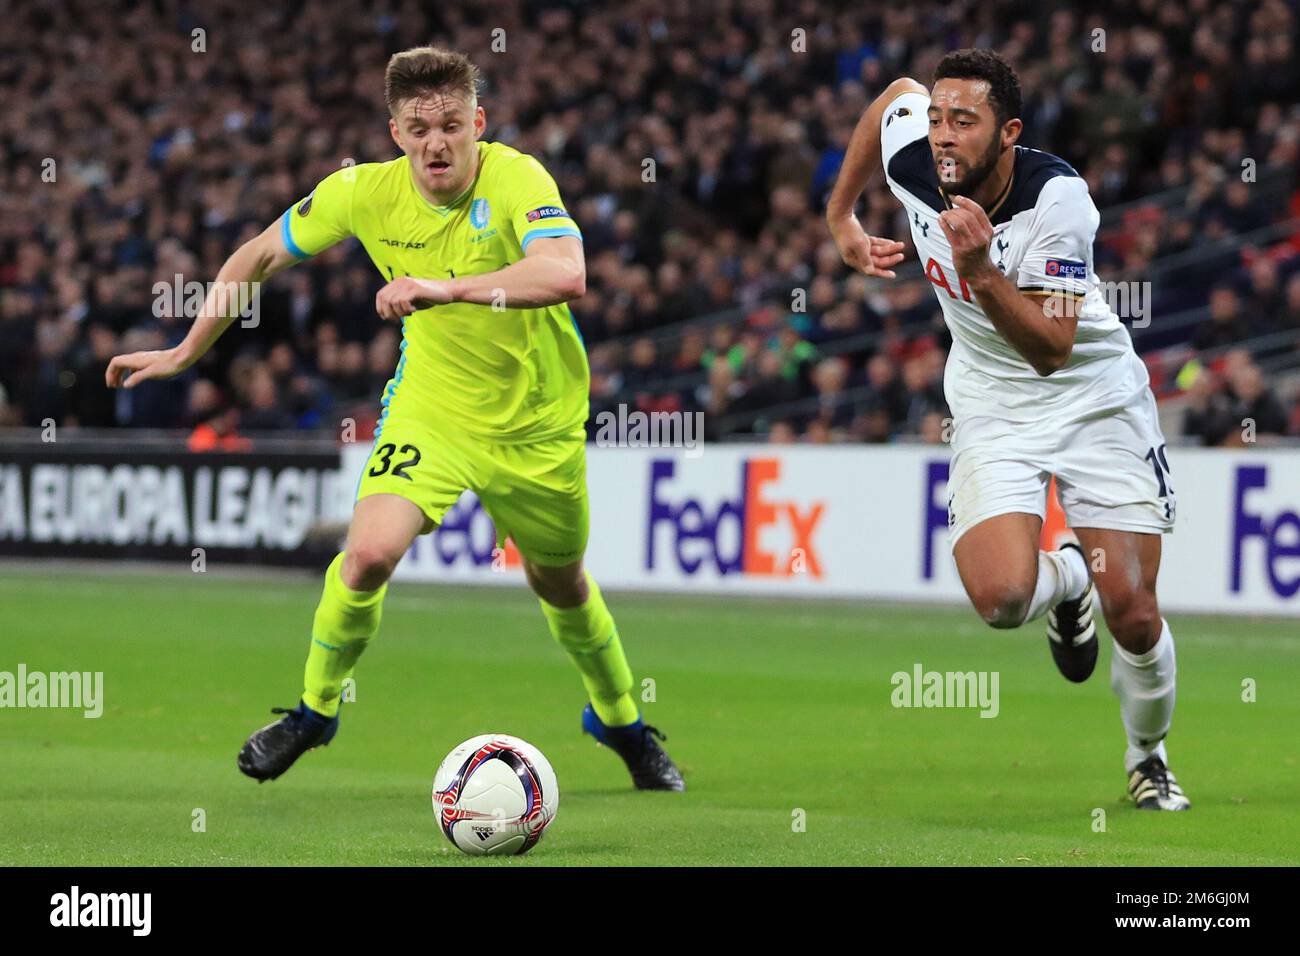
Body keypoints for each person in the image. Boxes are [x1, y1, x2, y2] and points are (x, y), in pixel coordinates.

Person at [105, 46, 684, 792]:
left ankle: (620, 720)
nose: (436, 142)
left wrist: (446, 290)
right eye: (418, 127)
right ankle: (314, 712)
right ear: (394, 132)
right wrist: (186, 350)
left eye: (450, 124)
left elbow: (565, 272)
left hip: (539, 424)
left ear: (479, 121)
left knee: (561, 584)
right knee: (367, 555)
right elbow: (255, 257)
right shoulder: (362, 193)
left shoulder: (517, 176)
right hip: (431, 412)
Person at [827, 49, 1187, 810]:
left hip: (1090, 395)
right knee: (999, 600)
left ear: (1008, 132)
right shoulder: (917, 155)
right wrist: (841, 215)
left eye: (965, 121)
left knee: (1136, 611)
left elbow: (1053, 352)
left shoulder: (1060, 203)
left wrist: (982, 269)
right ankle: (1068, 582)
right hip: (992, 400)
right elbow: (889, 97)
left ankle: (1147, 756)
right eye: (937, 120)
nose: (943, 136)